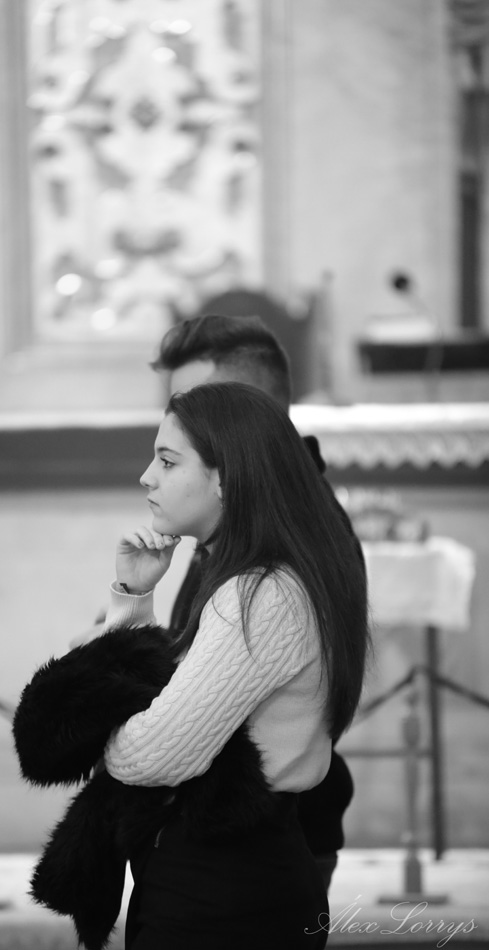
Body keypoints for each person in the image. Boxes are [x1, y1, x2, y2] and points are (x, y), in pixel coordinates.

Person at [14, 382, 369, 950]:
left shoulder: (261, 595)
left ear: (225, 477)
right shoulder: (257, 577)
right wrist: (134, 598)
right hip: (220, 870)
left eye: (167, 460)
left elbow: (153, 754)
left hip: (228, 886)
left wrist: (102, 737)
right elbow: (161, 690)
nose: (146, 477)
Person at [151, 311, 362, 890]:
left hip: (263, 836)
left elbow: (186, 733)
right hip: (216, 826)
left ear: (249, 411)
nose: (181, 420)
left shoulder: (300, 535)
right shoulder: (243, 519)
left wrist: (117, 722)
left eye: (200, 403)